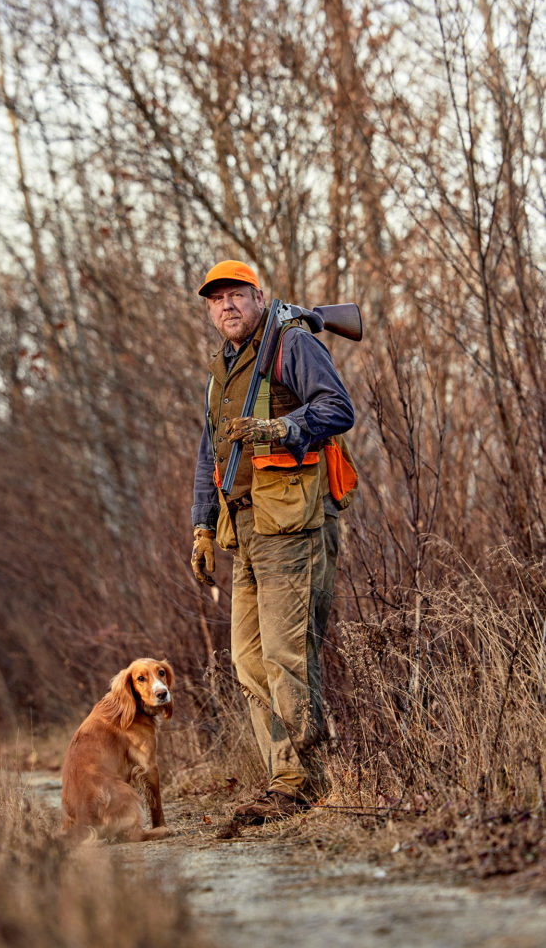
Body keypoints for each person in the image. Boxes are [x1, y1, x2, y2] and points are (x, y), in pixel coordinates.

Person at [190, 260, 357, 822]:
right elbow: (207, 455)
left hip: (293, 523)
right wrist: (201, 526)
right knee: (247, 660)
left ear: (258, 296)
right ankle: (286, 777)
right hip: (246, 529)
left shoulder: (292, 342)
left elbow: (338, 409)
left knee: (289, 655)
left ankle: (302, 784)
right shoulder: (221, 370)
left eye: (236, 294)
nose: (226, 305)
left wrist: (282, 429)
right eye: (215, 300)